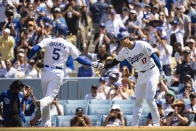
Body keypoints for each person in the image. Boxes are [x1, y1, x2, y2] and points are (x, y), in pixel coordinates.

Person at [92, 31, 165, 126]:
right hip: (141, 75)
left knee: (149, 98)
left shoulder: (141, 44)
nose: (121, 42)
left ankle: (156, 123)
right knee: (138, 101)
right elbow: (114, 62)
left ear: (127, 38)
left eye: (122, 40)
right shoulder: (124, 52)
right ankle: (134, 125)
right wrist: (103, 66)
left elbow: (154, 56)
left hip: (152, 71)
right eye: (119, 41)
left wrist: (161, 70)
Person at [27, 23, 92, 127]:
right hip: (57, 72)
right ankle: (40, 103)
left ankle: (46, 124)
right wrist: (91, 63)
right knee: (49, 99)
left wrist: (28, 58)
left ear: (56, 31)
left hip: (45, 71)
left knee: (47, 99)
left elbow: (34, 49)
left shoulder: (48, 40)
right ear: (64, 33)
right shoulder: (68, 43)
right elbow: (79, 59)